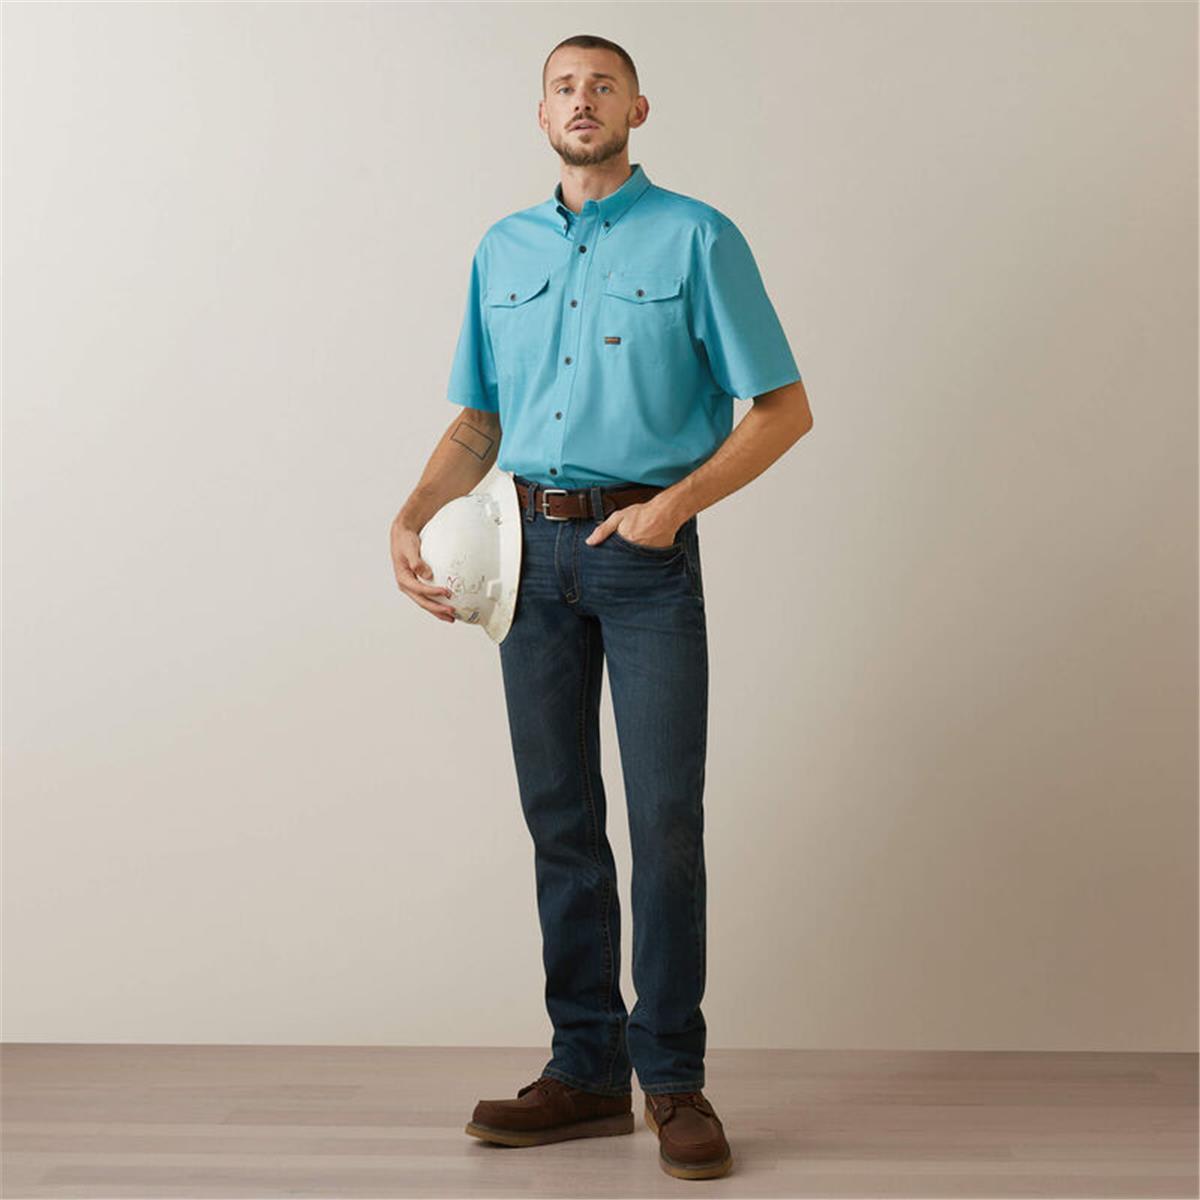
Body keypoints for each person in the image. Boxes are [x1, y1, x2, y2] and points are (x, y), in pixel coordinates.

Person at [389, 34, 813, 1182]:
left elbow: (783, 408)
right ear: (542, 116)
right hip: (523, 562)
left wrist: (674, 507)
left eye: (604, 85)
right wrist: (411, 514)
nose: (585, 101)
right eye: (565, 87)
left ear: (638, 108)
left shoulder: (698, 237)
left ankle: (672, 1079)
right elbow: (480, 419)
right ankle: (585, 1072)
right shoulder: (502, 249)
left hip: (644, 558)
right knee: (562, 822)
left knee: (666, 823)